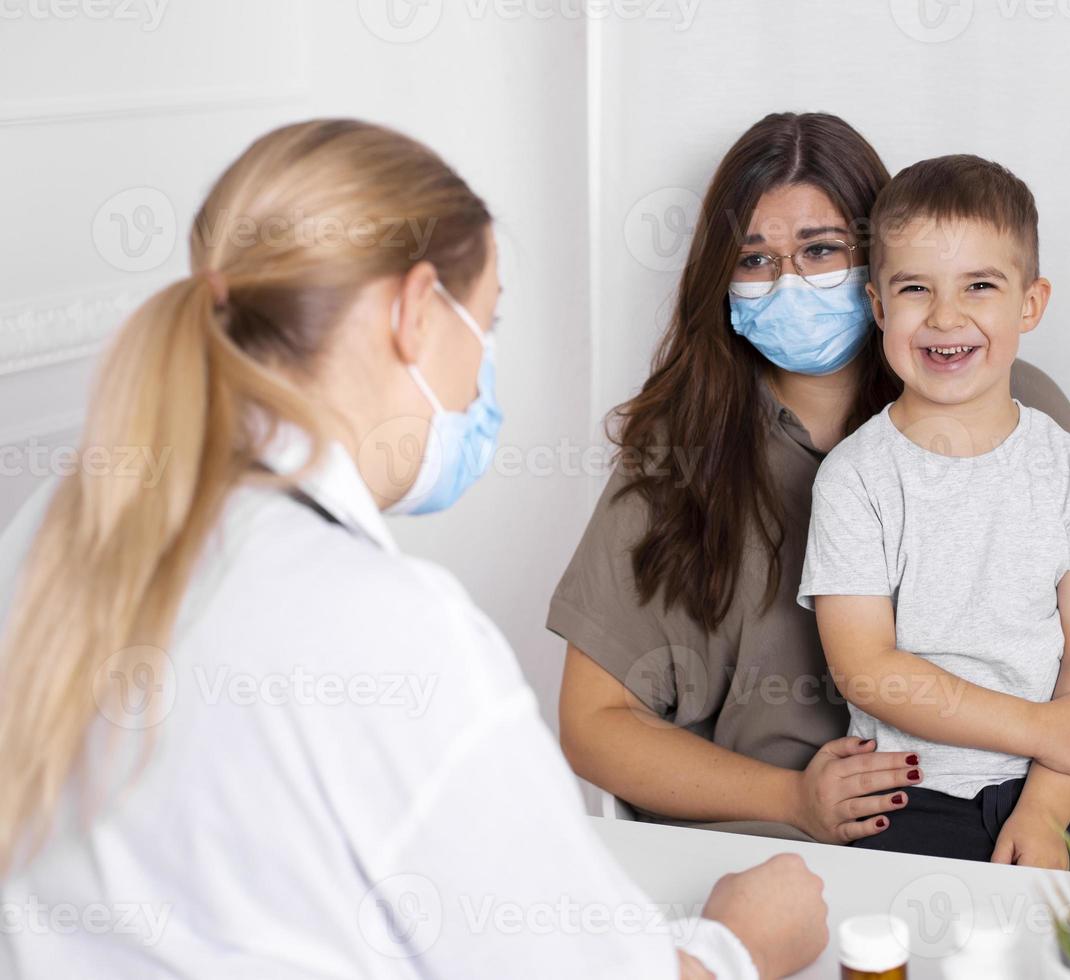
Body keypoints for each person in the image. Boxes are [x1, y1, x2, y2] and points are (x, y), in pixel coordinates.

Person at [0, 119, 826, 979]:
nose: (484, 374)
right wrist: (740, 944)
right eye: (487, 322)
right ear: (414, 310)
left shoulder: (53, 529)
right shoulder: (383, 629)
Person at [552, 112, 1070, 847]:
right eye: (755, 259)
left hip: (1032, 791)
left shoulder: (1022, 412)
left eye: (822, 250)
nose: (790, 284)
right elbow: (593, 724)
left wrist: (1055, 793)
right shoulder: (677, 463)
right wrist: (794, 799)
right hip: (788, 843)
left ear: (877, 260)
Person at [801, 154, 1070, 867]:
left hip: (1068, 781)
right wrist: (1041, 728)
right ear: (878, 306)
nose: (947, 316)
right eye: (916, 288)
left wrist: (1044, 806)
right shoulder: (855, 479)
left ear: (1029, 304)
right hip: (913, 794)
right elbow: (868, 669)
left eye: (980, 285)